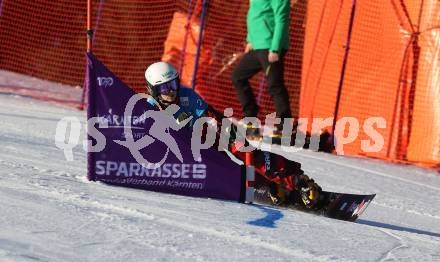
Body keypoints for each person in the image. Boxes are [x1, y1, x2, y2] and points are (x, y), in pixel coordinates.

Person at [145, 61, 322, 208]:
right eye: (165, 88)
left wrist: (233, 138)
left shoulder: (186, 96)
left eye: (173, 84)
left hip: (208, 134)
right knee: (227, 169)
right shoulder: (148, 107)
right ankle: (268, 185)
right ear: (153, 90)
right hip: (188, 151)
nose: (171, 91)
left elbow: (212, 117)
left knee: (248, 154)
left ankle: (299, 181)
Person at [231, 0, 292, 140]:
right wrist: (250, 40)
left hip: (270, 46)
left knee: (275, 86)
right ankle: (251, 120)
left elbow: (281, 18)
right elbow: (255, 13)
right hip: (257, 45)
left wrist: (275, 48)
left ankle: (285, 128)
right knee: (237, 77)